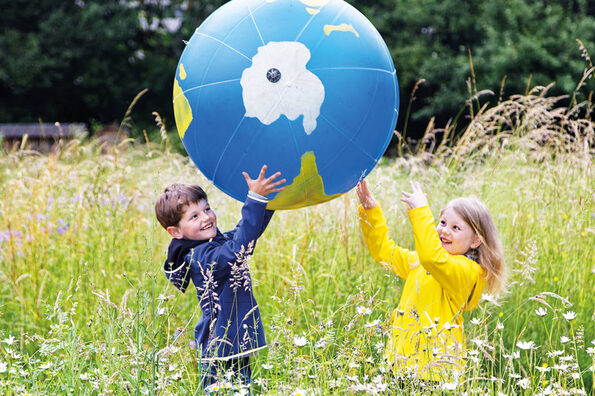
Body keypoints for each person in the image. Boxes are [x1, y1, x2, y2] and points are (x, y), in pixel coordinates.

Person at [356, 180, 506, 383]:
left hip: (434, 374)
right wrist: (371, 211)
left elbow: (432, 258)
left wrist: (420, 210)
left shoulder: (468, 272)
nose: (444, 230)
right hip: (399, 364)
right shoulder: (422, 262)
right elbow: (384, 252)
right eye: (443, 223)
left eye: (456, 227)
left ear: (475, 241)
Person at [155, 165, 285, 394]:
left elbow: (246, 233)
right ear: (176, 232)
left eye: (207, 209)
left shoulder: (212, 244)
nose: (206, 218)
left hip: (229, 344)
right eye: (194, 216)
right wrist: (255, 199)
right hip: (221, 347)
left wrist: (268, 202)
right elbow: (239, 248)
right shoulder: (201, 256)